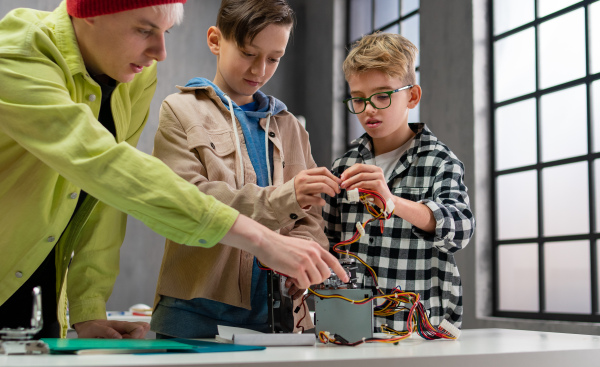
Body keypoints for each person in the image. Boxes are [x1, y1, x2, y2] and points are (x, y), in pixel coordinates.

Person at [0, 0, 347, 340]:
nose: (160, 52)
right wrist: (262, 238)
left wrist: (88, 309)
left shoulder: (135, 76)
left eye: (165, 31)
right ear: (90, 11)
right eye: (144, 30)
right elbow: (105, 165)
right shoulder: (19, 52)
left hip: (39, 294)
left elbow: (104, 197)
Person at [149, 0, 341, 339]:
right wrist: (283, 198)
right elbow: (189, 201)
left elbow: (311, 217)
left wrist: (301, 263)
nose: (260, 70)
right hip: (194, 313)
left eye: (274, 58)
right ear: (215, 40)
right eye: (249, 53)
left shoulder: (291, 128)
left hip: (282, 316)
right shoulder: (180, 110)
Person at [323, 32, 475, 333]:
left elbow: (461, 230)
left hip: (419, 330)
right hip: (349, 328)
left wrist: (391, 201)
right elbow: (327, 243)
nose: (369, 109)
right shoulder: (343, 167)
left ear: (412, 96)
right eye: (358, 99)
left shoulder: (439, 161)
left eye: (382, 95)